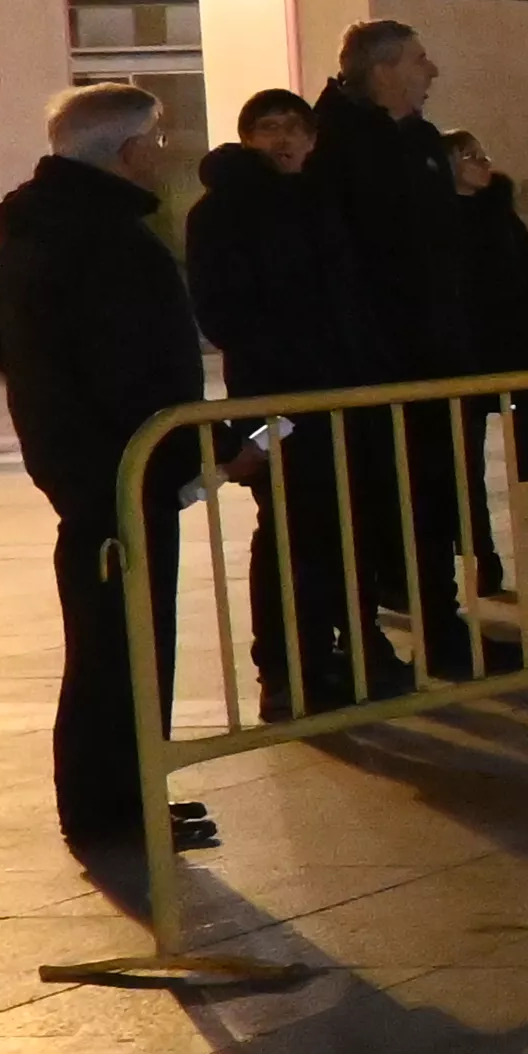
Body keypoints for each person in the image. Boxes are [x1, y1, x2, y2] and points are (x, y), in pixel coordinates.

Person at [0, 83, 215, 858]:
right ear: (128, 151)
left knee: (113, 638)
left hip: (83, 459)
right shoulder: (106, 237)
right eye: (157, 141)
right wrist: (185, 449)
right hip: (119, 464)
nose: (165, 156)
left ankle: (121, 792)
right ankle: (114, 802)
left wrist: (45, 391)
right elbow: (137, 369)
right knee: (127, 643)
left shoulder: (39, 227)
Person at [181, 84, 395, 712]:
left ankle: (351, 646)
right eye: (269, 128)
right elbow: (222, 309)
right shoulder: (221, 211)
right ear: (248, 139)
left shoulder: (326, 199)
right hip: (275, 399)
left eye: (296, 128)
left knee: (347, 523)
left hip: (344, 392)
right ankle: (283, 666)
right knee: (287, 526)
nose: (285, 140)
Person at [307, 18, 495, 677]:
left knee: (433, 504)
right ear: (383, 69)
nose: (432, 69)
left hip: (434, 362)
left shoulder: (415, 142)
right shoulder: (333, 145)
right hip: (374, 368)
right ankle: (362, 647)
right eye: (419, 59)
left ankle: (442, 632)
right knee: (369, 510)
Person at [441, 131, 528, 596]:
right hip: (462, 362)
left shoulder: (500, 214)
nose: (482, 163)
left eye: (482, 153)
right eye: (469, 156)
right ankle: (482, 557)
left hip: (516, 353)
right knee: (465, 464)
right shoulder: (434, 220)